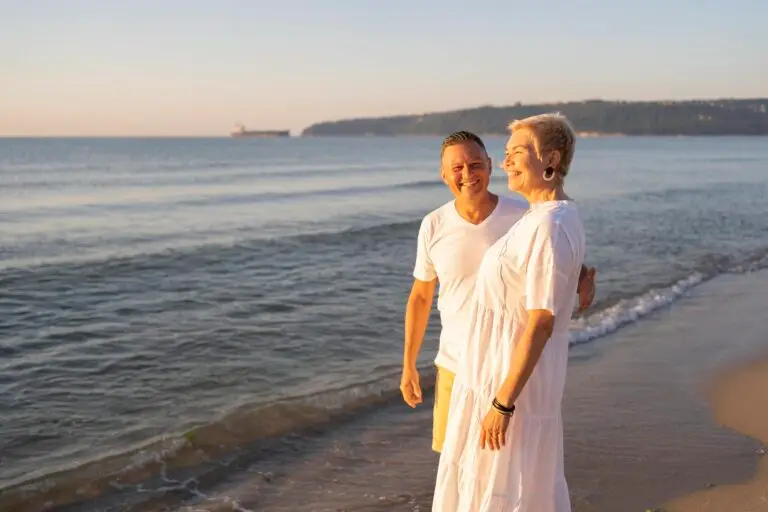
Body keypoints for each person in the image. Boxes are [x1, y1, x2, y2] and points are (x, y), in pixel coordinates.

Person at [400, 130, 596, 455]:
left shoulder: (523, 216)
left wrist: (581, 276)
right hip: (455, 363)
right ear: (444, 174)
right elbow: (421, 297)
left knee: (507, 464)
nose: (467, 174)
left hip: (508, 364)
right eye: (457, 168)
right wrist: (408, 365)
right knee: (455, 460)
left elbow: (552, 256)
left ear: (491, 166)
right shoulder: (433, 225)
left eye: (475, 164)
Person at [431, 113, 585, 511]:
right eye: (506, 153)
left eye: (518, 152)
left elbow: (541, 321)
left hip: (508, 389)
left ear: (550, 159)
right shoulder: (541, 217)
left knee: (502, 494)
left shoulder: (548, 226)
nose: (507, 163)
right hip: (489, 378)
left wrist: (502, 403)